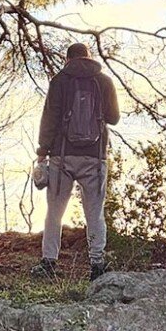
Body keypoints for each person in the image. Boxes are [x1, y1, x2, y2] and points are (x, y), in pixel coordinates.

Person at [34, 43, 120, 279]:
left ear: (67, 59)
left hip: (62, 155)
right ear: (88, 57)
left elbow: (50, 117)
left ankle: (49, 262)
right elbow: (113, 118)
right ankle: (97, 264)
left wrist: (42, 150)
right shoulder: (104, 81)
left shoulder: (59, 80)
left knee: (54, 211)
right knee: (95, 213)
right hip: (95, 157)